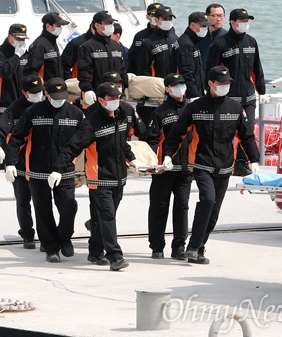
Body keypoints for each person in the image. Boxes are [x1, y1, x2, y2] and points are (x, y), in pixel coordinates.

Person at [162, 66, 260, 264]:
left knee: (213, 213)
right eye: (221, 83)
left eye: (227, 83)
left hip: (225, 166)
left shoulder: (234, 108)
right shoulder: (195, 107)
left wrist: (254, 159)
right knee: (207, 200)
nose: (225, 86)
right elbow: (176, 134)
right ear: (210, 83)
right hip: (202, 163)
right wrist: (167, 155)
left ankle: (199, 248)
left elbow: (247, 136)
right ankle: (193, 247)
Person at [49, 82, 143, 271]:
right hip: (99, 178)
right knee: (108, 217)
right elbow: (72, 147)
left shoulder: (121, 116)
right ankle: (115, 256)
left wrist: (132, 159)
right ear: (101, 100)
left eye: (118, 97)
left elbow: (122, 143)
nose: (116, 101)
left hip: (118, 177)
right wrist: (58, 169)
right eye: (111, 98)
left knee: (104, 218)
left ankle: (95, 251)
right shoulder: (91, 123)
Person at [4, 78, 84, 263]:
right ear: (46, 94)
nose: (59, 100)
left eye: (62, 96)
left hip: (64, 171)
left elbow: (82, 140)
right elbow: (17, 138)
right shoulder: (33, 112)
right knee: (43, 211)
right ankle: (51, 248)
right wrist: (10, 163)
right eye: (55, 96)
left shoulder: (75, 113)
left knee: (69, 207)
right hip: (38, 171)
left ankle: (64, 238)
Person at [205, 8, 267, 176]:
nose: (245, 24)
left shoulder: (251, 42)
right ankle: (220, 162)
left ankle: (241, 163)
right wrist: (211, 92)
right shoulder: (220, 44)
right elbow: (210, 71)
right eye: (241, 21)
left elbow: (257, 68)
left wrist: (261, 90)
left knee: (247, 130)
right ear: (232, 22)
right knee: (224, 131)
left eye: (247, 21)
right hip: (228, 96)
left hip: (248, 96)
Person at [0, 75, 44, 249]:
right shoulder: (15, 109)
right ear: (24, 93)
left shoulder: (46, 107)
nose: (37, 96)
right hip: (19, 163)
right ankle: (27, 234)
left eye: (40, 92)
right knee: (23, 200)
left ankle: (46, 237)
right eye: (33, 93)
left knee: (42, 202)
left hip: (40, 163)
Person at [145, 73, 193, 260]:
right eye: (175, 85)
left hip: (185, 168)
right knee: (159, 207)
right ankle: (157, 247)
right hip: (163, 169)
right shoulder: (159, 112)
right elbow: (152, 139)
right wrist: (155, 164)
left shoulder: (191, 110)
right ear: (167, 88)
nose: (179, 88)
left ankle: (179, 247)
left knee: (182, 207)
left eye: (182, 84)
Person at [0, 23, 29, 170]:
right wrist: (16, 56)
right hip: (3, 103)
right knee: (3, 139)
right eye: (17, 38)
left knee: (21, 138)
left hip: (21, 102)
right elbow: (5, 72)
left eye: (23, 39)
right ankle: (2, 169)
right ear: (9, 36)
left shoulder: (25, 52)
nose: (20, 41)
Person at [78, 10, 128, 106]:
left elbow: (122, 69)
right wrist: (87, 89)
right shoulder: (88, 47)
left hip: (116, 94)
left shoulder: (116, 46)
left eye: (111, 23)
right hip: (98, 95)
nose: (110, 26)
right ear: (97, 25)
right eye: (107, 23)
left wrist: (125, 86)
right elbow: (84, 71)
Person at [173, 12, 213, 98]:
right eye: (203, 26)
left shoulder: (193, 41)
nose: (205, 29)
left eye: (206, 26)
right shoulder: (186, 44)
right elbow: (187, 72)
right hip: (190, 95)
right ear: (192, 25)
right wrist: (194, 94)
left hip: (198, 89)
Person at [134, 5, 178, 78]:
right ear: (157, 20)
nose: (167, 21)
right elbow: (143, 68)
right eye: (164, 19)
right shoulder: (148, 43)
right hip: (157, 84)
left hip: (174, 83)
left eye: (170, 19)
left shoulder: (175, 39)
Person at [23, 12, 68, 82]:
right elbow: (31, 71)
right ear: (48, 26)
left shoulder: (53, 41)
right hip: (46, 89)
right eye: (58, 25)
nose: (60, 28)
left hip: (57, 88)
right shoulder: (38, 45)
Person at [127, 2, 163, 74]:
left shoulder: (170, 36)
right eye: (153, 15)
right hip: (142, 77)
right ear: (147, 17)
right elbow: (131, 59)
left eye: (159, 15)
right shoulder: (139, 36)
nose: (156, 18)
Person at [197, 3, 227, 70]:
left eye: (221, 16)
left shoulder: (227, 37)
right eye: (215, 16)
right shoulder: (200, 36)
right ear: (207, 17)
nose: (219, 19)